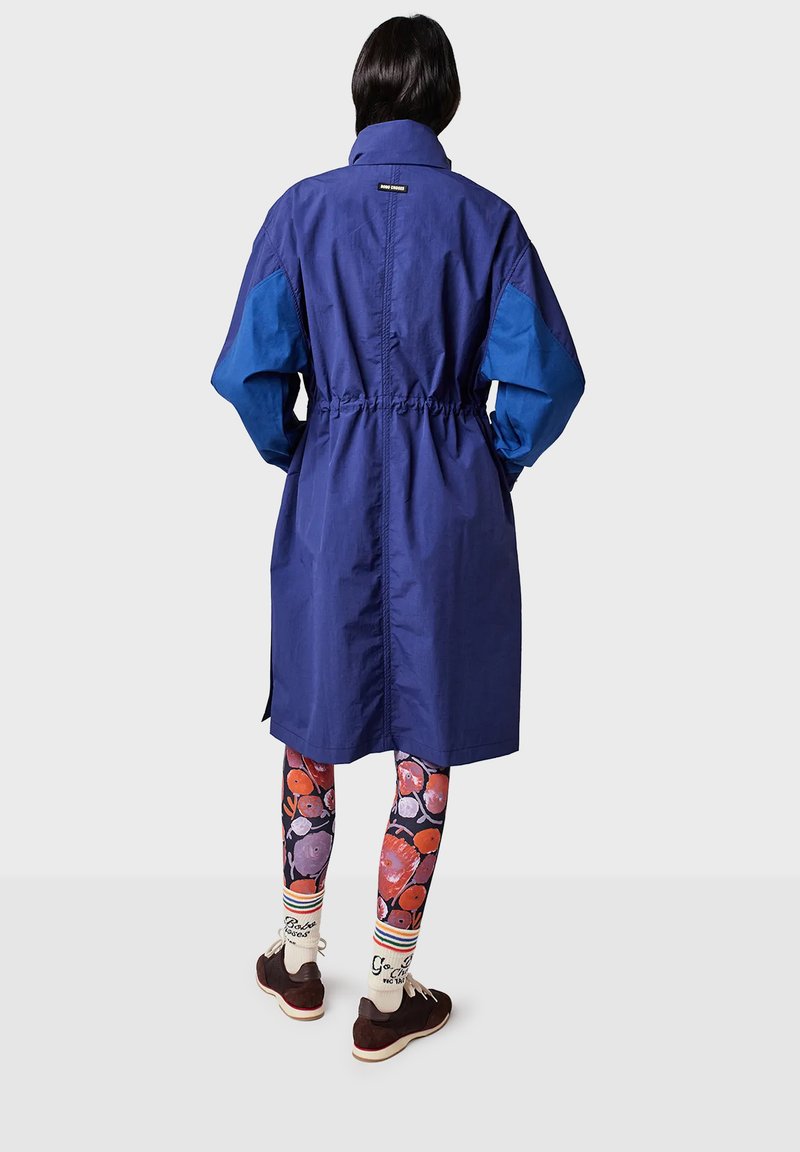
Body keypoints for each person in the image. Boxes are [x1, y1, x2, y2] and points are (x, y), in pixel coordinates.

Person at [210, 14, 585, 1061]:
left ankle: (296, 959)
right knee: (427, 733)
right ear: (445, 100)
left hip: (330, 487)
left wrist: (298, 445)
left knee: (312, 716)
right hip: (446, 499)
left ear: (362, 94)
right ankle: (386, 987)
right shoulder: (489, 222)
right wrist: (490, 459)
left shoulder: (298, 212)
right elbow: (548, 381)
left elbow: (247, 372)